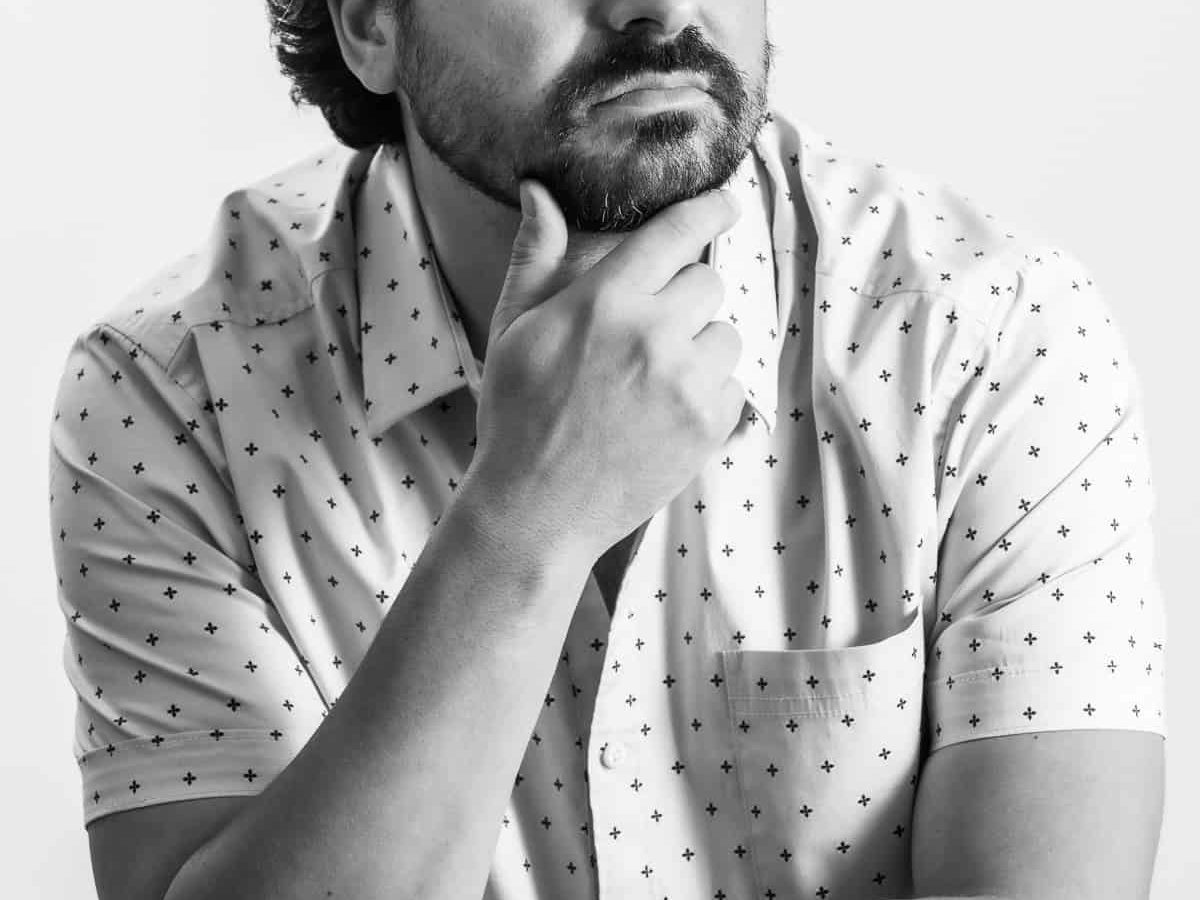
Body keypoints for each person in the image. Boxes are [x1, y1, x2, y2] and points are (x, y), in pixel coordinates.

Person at [48, 2, 1167, 899]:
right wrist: (524, 523)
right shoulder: (174, 392)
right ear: (370, 23)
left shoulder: (986, 334)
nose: (662, 9)